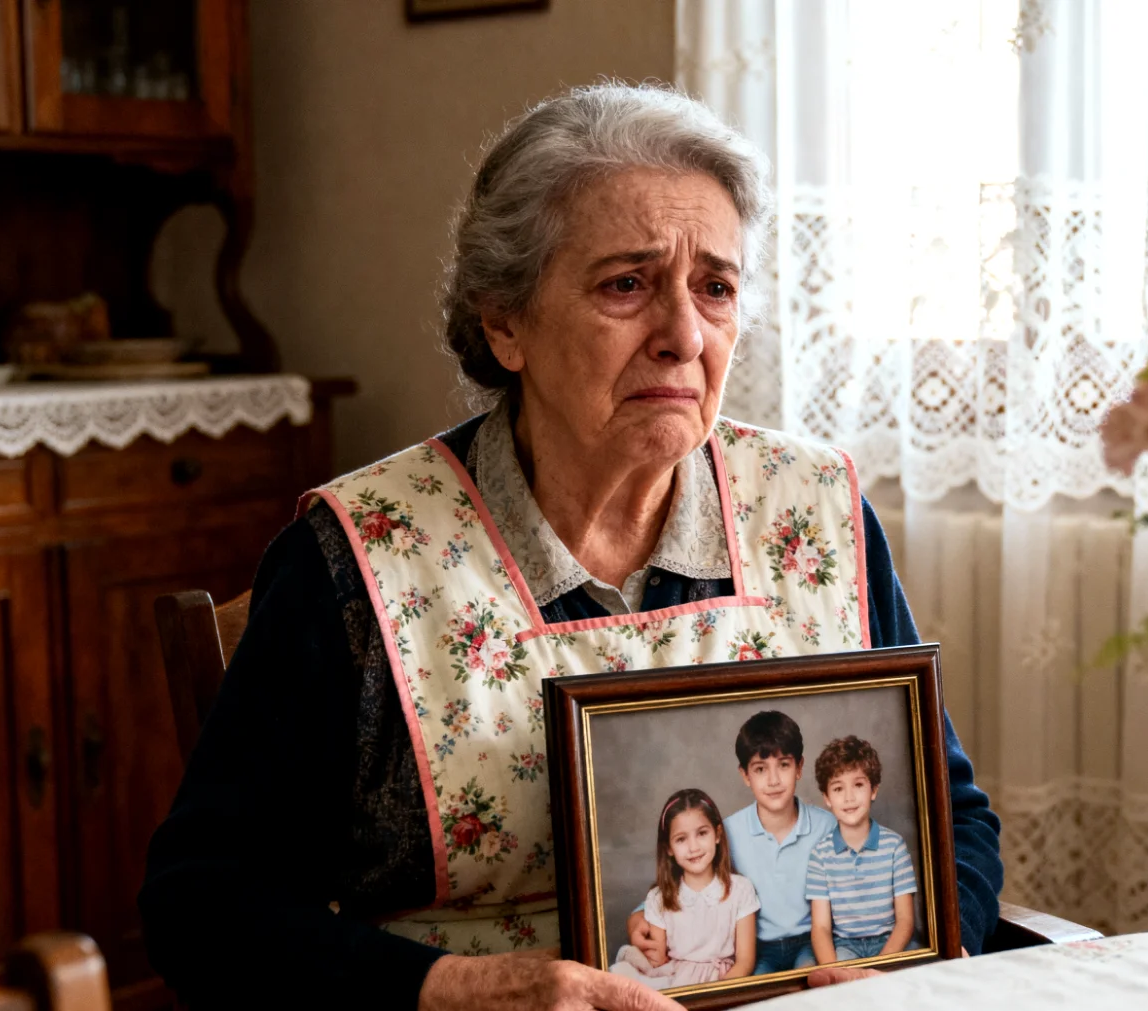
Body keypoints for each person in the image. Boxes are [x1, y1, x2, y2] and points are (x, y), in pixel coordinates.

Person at [139, 82, 1002, 1011]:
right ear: (504, 321)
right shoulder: (355, 564)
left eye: (715, 288)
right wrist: (455, 987)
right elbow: (202, 905)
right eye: (626, 284)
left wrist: (892, 969)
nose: (683, 336)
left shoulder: (818, 511)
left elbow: (955, 824)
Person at [629, 711, 836, 975]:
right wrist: (637, 917)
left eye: (783, 765)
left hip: (811, 941)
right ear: (745, 775)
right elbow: (681, 885)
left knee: (813, 985)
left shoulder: (826, 827)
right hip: (755, 947)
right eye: (760, 769)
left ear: (799, 767)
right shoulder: (726, 833)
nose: (773, 780)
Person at [610, 790, 759, 989]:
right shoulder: (659, 899)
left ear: (717, 834)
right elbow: (658, 958)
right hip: (674, 980)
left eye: (702, 833)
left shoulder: (740, 890)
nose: (693, 847)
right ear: (669, 848)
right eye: (681, 839)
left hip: (722, 983)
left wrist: (719, 994)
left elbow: (745, 962)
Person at [806, 736, 917, 964]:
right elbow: (821, 927)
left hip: (891, 942)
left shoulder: (894, 847)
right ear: (826, 798)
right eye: (838, 788)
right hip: (845, 946)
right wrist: (835, 969)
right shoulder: (820, 856)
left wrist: (883, 966)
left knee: (919, 974)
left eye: (858, 785)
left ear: (873, 790)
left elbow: (905, 921)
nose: (849, 797)